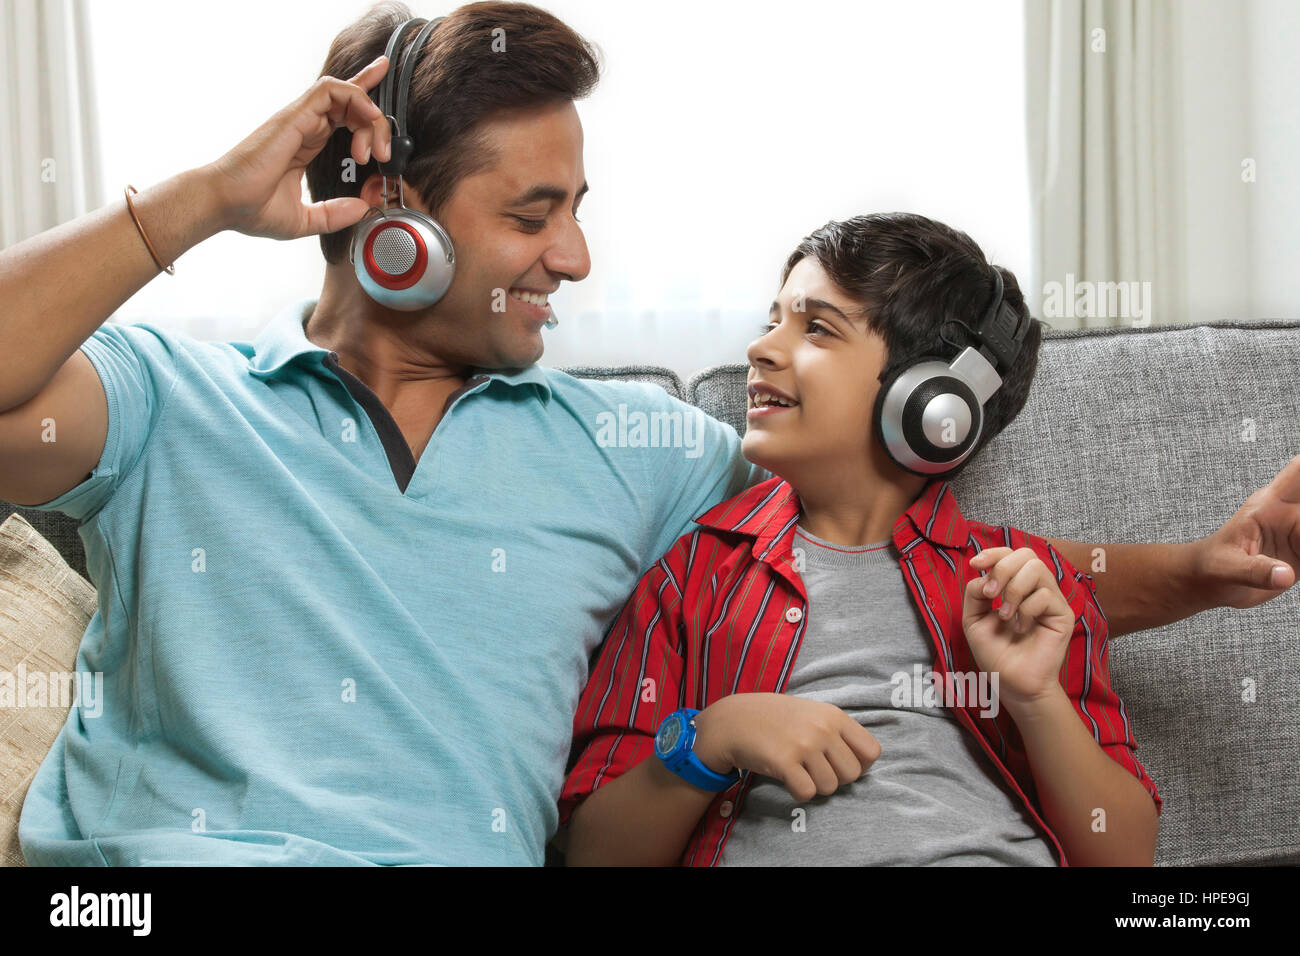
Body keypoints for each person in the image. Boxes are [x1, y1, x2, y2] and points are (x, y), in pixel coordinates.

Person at [0, 2, 1294, 866]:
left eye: (578, 208)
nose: (574, 256)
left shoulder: (634, 449)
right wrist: (201, 202)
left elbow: (887, 529)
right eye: (533, 214)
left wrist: (1200, 567)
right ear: (390, 214)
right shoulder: (168, 395)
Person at [558, 213, 1170, 866]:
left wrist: (1035, 698)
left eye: (817, 327)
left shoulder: (1029, 586)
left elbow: (1123, 858)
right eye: (773, 321)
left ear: (936, 402)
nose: (761, 349)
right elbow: (597, 854)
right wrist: (712, 738)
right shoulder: (692, 577)